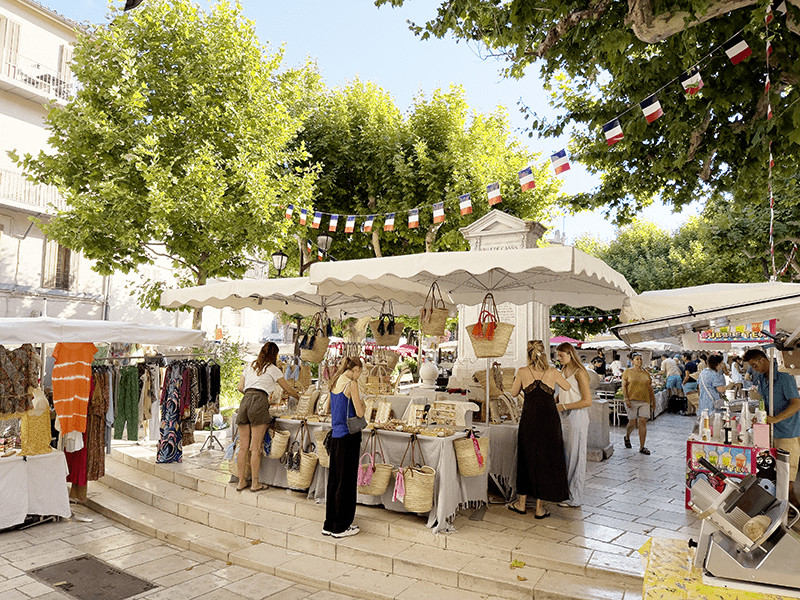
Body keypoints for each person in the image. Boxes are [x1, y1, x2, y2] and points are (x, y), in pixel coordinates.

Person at [507, 340, 571, 518]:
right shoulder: (553, 372)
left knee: (526, 457)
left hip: (530, 419)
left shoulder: (522, 371)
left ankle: (521, 504)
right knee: (546, 459)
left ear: (528, 354)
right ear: (544, 353)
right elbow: (567, 386)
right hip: (549, 420)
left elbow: (513, 393)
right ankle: (539, 508)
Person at [236, 342, 299, 492]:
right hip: (259, 402)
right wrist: (299, 396)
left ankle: (240, 482)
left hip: (245, 401)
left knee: (243, 447)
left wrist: (251, 395)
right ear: (275, 355)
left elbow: (240, 387)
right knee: (255, 448)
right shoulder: (273, 369)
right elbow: (287, 389)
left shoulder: (251, 366)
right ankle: (255, 484)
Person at [744, 348, 800, 507]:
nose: (754, 369)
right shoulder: (762, 378)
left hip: (788, 431)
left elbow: (796, 403)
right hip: (771, 433)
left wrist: (776, 418)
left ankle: (791, 507)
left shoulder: (783, 376)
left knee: (787, 474)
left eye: (755, 365)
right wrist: (761, 414)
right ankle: (780, 505)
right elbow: (765, 402)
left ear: (763, 360)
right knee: (773, 471)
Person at [322, 356, 365, 538]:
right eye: (359, 373)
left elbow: (326, 409)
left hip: (336, 436)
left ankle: (329, 523)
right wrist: (362, 403)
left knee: (334, 480)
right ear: (355, 369)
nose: (358, 376)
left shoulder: (335, 381)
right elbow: (360, 412)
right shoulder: (351, 384)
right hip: (349, 436)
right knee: (346, 482)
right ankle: (341, 526)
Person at [555, 342, 593, 508]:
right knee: (566, 456)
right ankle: (565, 492)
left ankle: (575, 496)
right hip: (564, 416)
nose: (558, 358)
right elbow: (563, 393)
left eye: (561, 355)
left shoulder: (580, 372)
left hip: (577, 416)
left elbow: (587, 401)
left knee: (576, 456)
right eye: (558, 355)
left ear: (570, 354)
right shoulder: (563, 371)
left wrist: (564, 406)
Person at [622, 353, 655, 455]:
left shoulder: (646, 373)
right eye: (637, 359)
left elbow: (650, 388)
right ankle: (627, 436)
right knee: (632, 422)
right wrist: (626, 398)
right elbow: (624, 386)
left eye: (640, 359)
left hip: (645, 400)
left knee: (642, 422)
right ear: (632, 361)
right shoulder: (627, 372)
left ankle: (642, 447)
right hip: (632, 399)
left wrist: (653, 401)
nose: (639, 361)